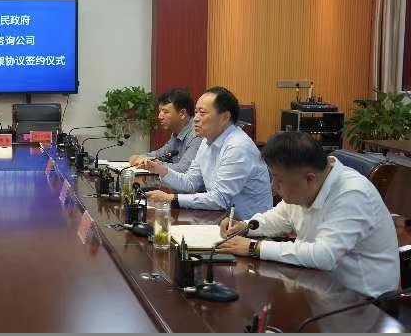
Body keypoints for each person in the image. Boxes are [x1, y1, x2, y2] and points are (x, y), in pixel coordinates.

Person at [218, 132, 399, 298]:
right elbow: (279, 218)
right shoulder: (305, 186)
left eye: (279, 179)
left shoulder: (352, 194)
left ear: (310, 179)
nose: (273, 186)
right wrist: (244, 227)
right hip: (319, 286)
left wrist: (254, 247)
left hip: (362, 303)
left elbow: (324, 255)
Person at [145, 86, 272, 220]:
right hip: (222, 219)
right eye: (196, 112)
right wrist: (161, 170)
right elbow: (191, 182)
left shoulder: (238, 147)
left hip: (249, 226)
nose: (195, 118)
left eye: (202, 113)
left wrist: (171, 198)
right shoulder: (207, 141)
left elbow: (220, 199)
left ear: (225, 117)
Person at [128, 88, 201, 173]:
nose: (160, 117)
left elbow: (183, 169)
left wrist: (151, 164)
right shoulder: (177, 133)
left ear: (182, 114)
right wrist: (141, 157)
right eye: (160, 112)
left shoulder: (197, 133)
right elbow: (161, 154)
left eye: (165, 112)